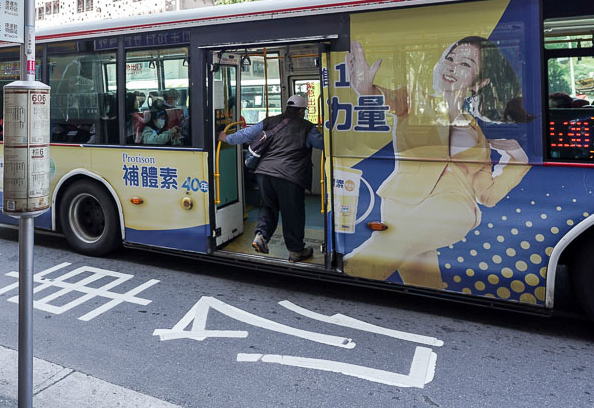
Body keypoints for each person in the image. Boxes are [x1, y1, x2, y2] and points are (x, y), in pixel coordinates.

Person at [344, 37, 534, 288]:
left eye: (465, 64)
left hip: (453, 208)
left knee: (386, 248)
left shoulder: (479, 137)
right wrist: (366, 90)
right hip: (400, 203)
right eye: (449, 58)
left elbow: (488, 195)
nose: (452, 67)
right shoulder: (413, 99)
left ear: (480, 83)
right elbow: (384, 96)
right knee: (423, 282)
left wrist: (519, 159)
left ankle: (341, 276)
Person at [218, 94, 323, 262]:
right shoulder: (307, 127)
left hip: (264, 173)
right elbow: (323, 144)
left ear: (287, 108)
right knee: (292, 212)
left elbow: (246, 134)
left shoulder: (270, 121)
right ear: (302, 111)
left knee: (268, 205)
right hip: (290, 176)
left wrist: (227, 138)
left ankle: (261, 236)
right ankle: (296, 250)